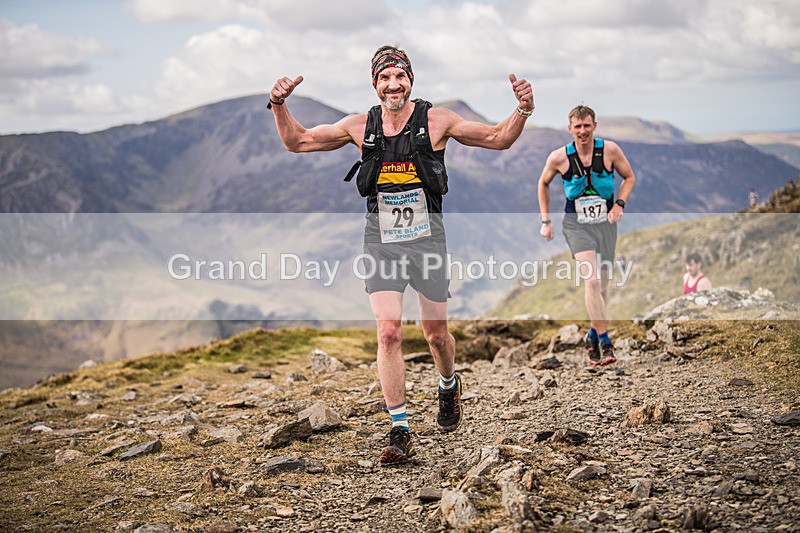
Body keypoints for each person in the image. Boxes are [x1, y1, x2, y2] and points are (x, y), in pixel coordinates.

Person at [268, 45, 534, 464]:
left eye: (400, 77)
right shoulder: (360, 127)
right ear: (375, 84)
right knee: (389, 330)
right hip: (381, 239)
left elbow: (498, 139)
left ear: (411, 79)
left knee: (435, 335)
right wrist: (279, 104)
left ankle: (448, 385)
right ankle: (400, 429)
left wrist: (522, 109)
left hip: (428, 239)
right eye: (385, 78)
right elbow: (298, 141)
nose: (394, 85)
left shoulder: (437, 121)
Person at [537, 105, 636, 366]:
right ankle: (604, 340)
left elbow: (629, 178)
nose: (582, 131)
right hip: (576, 224)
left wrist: (619, 205)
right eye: (577, 126)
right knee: (591, 283)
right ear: (570, 129)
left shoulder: (610, 151)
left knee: (602, 287)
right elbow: (543, 183)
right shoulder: (559, 158)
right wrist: (546, 221)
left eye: (587, 125)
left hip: (605, 225)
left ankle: (591, 334)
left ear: (594, 126)